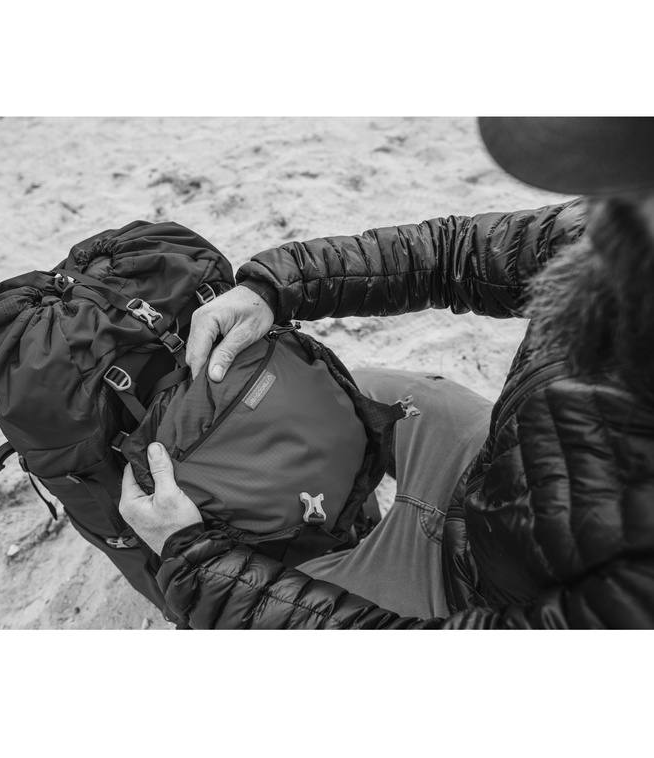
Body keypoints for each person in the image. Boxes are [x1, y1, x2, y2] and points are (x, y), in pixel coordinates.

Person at [119, 117, 654, 629]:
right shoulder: (620, 224)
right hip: (498, 473)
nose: (599, 206)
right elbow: (454, 253)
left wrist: (196, 564)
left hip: (476, 603)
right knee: (356, 390)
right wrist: (276, 287)